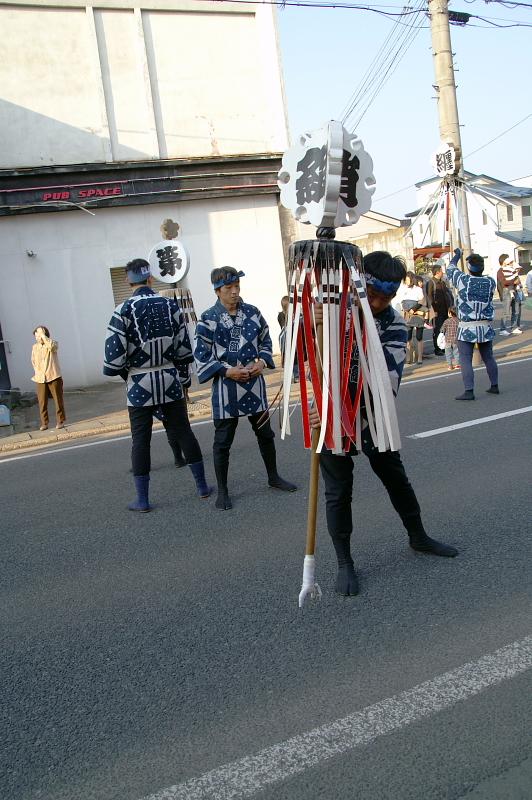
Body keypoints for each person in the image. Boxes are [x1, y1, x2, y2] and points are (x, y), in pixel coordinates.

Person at [309, 251, 458, 597]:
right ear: (359, 284)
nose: (377, 303)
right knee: (338, 490)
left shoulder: (394, 324)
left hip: (371, 414)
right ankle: (344, 561)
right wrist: (310, 324)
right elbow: (298, 354)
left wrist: (337, 406)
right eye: (372, 294)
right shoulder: (330, 308)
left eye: (385, 298)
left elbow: (385, 382)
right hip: (327, 413)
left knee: (394, 476)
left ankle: (418, 535)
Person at [103, 258, 211, 512]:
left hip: (139, 383)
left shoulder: (122, 310)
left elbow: (113, 359)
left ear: (128, 280)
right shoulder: (170, 306)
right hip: (170, 378)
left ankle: (143, 499)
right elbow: (184, 349)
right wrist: (183, 379)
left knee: (140, 441)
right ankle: (202, 487)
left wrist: (128, 373)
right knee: (184, 431)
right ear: (150, 278)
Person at [194, 266, 297, 510]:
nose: (234, 292)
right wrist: (227, 371)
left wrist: (261, 362)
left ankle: (273, 476)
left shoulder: (252, 312)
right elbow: (201, 354)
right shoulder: (208, 318)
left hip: (254, 384)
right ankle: (223, 491)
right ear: (217, 291)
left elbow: (266, 339)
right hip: (226, 388)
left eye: (237, 286)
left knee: (265, 434)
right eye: (228, 287)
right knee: (223, 442)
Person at [447, 249, 499, 401]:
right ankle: (494, 385)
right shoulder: (490, 282)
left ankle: (469, 391)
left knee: (465, 359)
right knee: (488, 357)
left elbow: (450, 268)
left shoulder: (463, 280)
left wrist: (457, 255)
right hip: (485, 326)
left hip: (467, 327)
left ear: (469, 267)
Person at [31, 325, 66, 431]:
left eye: (39, 335)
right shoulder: (35, 347)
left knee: (58, 400)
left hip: (54, 376)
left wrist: (43, 335)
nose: (37, 338)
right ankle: (44, 423)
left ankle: (60, 421)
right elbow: (33, 361)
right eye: (36, 336)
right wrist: (37, 372)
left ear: (44, 334)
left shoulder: (52, 343)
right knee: (42, 402)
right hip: (40, 378)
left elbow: (52, 347)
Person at [426, 263, 453, 355]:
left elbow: (447, 295)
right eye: (441, 270)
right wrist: (434, 310)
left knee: (445, 330)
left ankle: (444, 347)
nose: (443, 272)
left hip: (445, 310)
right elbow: (429, 297)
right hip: (437, 311)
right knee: (438, 330)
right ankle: (437, 349)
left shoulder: (442, 282)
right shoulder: (431, 283)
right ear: (437, 272)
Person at [401, 271, 426, 365]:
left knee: (419, 336)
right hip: (407, 314)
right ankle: (409, 357)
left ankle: (419, 357)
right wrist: (406, 309)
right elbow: (401, 301)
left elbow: (421, 301)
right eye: (406, 280)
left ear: (412, 280)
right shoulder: (403, 288)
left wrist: (413, 309)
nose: (407, 281)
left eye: (408, 279)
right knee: (408, 337)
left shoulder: (418, 289)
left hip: (417, 313)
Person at [497, 254, 520, 336]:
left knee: (516, 310)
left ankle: (514, 328)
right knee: (506, 312)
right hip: (506, 292)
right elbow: (504, 283)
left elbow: (517, 280)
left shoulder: (511, 269)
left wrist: (516, 279)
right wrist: (514, 282)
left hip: (514, 291)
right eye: (508, 260)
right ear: (504, 261)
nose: (510, 262)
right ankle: (502, 329)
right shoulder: (500, 271)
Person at [440, 307, 460, 371]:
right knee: (456, 353)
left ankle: (450, 366)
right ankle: (457, 364)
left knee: (448, 354)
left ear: (450, 313)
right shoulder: (458, 320)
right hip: (456, 340)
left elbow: (442, 330)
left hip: (448, 340)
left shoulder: (447, 321)